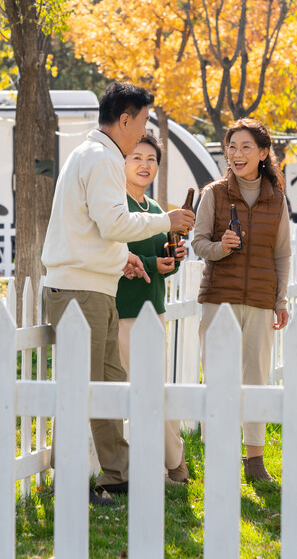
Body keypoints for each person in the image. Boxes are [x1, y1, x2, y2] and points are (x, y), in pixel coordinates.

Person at [41, 81, 196, 506]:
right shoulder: (104, 158)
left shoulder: (94, 154)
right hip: (79, 291)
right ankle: (71, 481)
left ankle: (119, 474)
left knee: (108, 384)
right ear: (125, 120)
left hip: (93, 285)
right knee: (85, 388)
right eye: (144, 120)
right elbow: (112, 223)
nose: (145, 129)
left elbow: (93, 228)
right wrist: (167, 220)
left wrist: (118, 259)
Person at [192, 118, 291, 483]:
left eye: (246, 147)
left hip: (262, 301)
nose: (236, 154)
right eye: (231, 147)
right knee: (218, 379)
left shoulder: (276, 199)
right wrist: (221, 248)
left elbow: (282, 255)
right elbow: (198, 242)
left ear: (264, 153)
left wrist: (280, 300)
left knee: (255, 380)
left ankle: (254, 459)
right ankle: (219, 452)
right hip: (219, 298)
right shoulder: (214, 194)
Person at [115, 133, 190, 485]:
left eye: (151, 160)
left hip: (154, 310)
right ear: (123, 163)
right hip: (123, 310)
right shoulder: (115, 206)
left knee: (155, 388)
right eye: (136, 158)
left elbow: (167, 260)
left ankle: (174, 461)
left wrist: (173, 259)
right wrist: (149, 260)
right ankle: (157, 465)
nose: (145, 165)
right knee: (134, 390)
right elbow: (111, 255)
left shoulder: (157, 210)